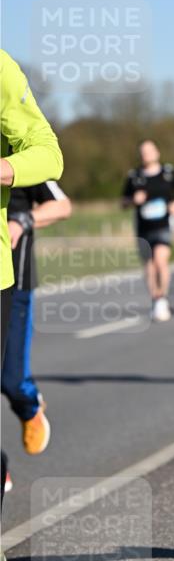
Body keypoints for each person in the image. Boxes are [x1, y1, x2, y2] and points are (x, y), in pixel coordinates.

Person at [0, 49, 64, 561]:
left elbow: (51, 163)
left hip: (11, 276)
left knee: (10, 375)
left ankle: (28, 404)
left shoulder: (0, 70)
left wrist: (21, 213)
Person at [2, 179, 71, 462]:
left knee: (11, 379)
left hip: (15, 285)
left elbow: (62, 205)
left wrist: (23, 220)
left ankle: (28, 406)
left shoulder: (19, 161)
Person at [121, 140, 174, 322]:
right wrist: (133, 200)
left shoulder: (168, 172)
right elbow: (123, 202)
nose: (146, 155)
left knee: (160, 260)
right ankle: (155, 299)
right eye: (143, 152)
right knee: (149, 265)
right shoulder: (134, 176)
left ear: (157, 152)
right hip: (143, 228)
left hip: (164, 224)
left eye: (149, 151)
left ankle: (162, 298)